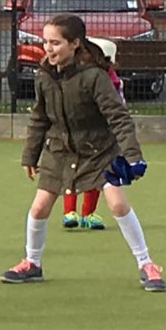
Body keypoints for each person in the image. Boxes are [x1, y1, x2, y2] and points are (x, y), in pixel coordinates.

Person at [0, 14, 166, 292]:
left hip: (100, 152)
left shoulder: (94, 77)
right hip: (59, 151)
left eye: (56, 43)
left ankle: (146, 264)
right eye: (45, 42)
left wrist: (133, 156)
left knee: (117, 204)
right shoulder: (44, 76)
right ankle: (31, 263)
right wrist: (30, 155)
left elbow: (118, 117)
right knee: (39, 207)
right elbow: (39, 118)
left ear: (75, 44)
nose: (48, 48)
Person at [60, 37, 126, 231]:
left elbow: (118, 107)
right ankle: (72, 212)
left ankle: (85, 213)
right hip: (79, 132)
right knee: (77, 171)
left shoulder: (108, 80)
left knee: (93, 173)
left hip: (97, 135)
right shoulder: (81, 77)